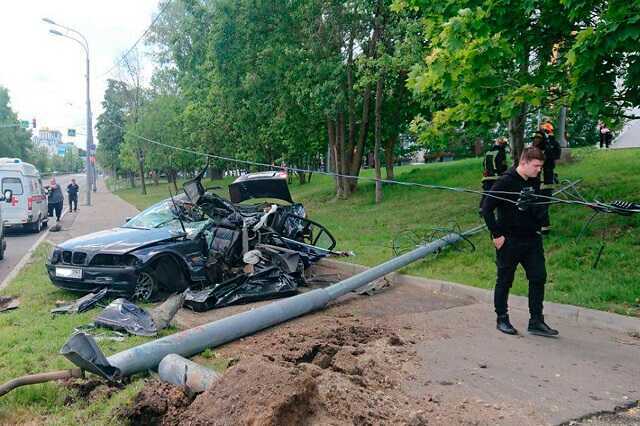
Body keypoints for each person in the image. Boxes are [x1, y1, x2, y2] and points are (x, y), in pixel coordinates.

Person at [481, 146, 559, 337]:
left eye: (541, 166)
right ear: (523, 163)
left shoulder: (533, 181)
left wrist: (540, 219)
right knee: (505, 280)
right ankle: (502, 318)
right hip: (509, 240)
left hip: (532, 239)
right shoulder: (505, 182)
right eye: (536, 166)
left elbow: (537, 206)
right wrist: (496, 235)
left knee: (538, 277)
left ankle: (536, 321)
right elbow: (486, 208)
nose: (539, 170)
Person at [532, 122, 561, 234]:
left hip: (545, 182)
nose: (535, 141)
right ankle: (539, 227)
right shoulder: (533, 151)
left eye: (538, 139)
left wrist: (551, 138)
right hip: (535, 184)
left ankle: (544, 229)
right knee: (535, 206)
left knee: (542, 206)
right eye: (534, 138)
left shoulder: (547, 150)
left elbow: (556, 153)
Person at [479, 137, 509, 214]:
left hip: (486, 177)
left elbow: (484, 164)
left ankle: (481, 208)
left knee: (486, 193)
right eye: (504, 144)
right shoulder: (501, 152)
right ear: (502, 144)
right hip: (496, 177)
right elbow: (503, 165)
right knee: (499, 194)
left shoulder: (488, 152)